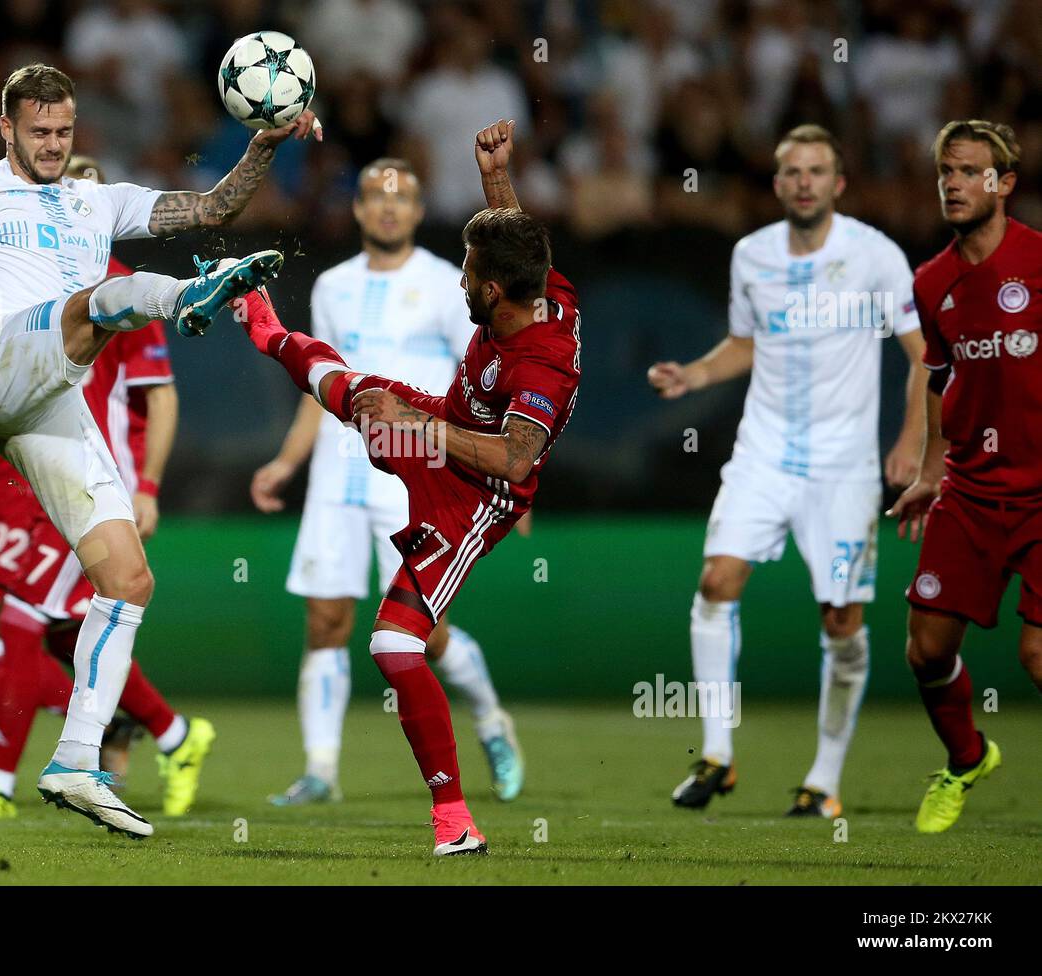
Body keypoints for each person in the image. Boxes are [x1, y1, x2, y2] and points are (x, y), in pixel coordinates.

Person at [0, 62, 318, 838]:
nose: (54, 144)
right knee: (96, 303)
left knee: (127, 579)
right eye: (39, 132)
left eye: (64, 131)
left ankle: (76, 760)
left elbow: (212, 204)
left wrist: (262, 146)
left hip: (48, 395)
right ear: (6, 128)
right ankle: (193, 295)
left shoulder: (101, 200)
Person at [235, 120, 579, 855]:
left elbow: (516, 462)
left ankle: (453, 818)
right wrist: (497, 175)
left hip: (474, 494)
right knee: (356, 391)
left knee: (395, 645)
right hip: (444, 428)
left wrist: (414, 429)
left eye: (467, 274)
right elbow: (517, 239)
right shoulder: (532, 282)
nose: (458, 279)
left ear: (492, 293)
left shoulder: (541, 363)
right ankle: (261, 326)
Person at [647, 124, 927, 818]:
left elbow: (925, 353)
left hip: (843, 465)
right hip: (764, 451)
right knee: (717, 579)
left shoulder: (875, 256)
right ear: (777, 185)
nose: (804, 181)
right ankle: (717, 753)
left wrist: (914, 441)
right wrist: (696, 374)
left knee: (842, 619)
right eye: (792, 171)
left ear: (837, 183)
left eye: (817, 170)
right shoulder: (752, 255)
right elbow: (746, 343)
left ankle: (825, 779)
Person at [889, 119, 1042, 833]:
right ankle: (967, 756)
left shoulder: (1039, 262)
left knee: (1038, 655)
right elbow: (939, 376)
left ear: (1004, 183)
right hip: (972, 491)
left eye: (969, 171)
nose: (952, 183)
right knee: (926, 649)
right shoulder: (931, 280)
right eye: (945, 170)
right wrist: (929, 470)